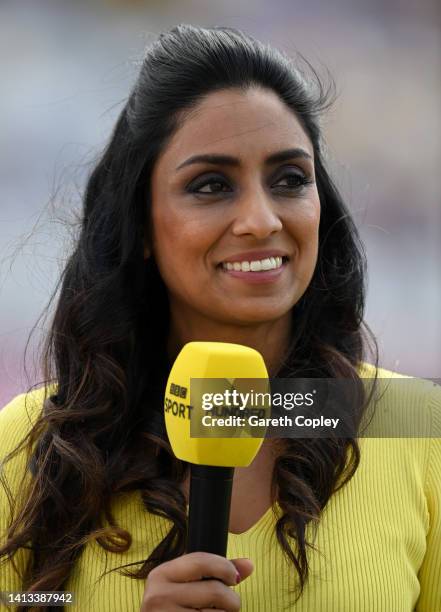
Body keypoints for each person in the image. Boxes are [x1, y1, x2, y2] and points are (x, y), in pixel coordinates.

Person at [0, 23, 440, 612]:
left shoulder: (414, 424)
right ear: (142, 224)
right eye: (211, 185)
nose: (260, 220)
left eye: (290, 179)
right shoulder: (36, 440)